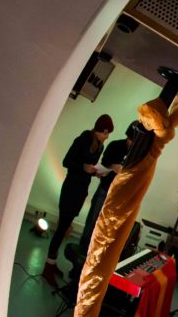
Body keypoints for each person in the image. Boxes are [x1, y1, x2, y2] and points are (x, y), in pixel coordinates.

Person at [41, 114, 113, 286]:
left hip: (81, 191)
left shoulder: (100, 146)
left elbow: (89, 168)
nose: (107, 136)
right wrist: (83, 167)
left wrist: (96, 172)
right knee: (61, 229)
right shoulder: (82, 140)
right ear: (99, 130)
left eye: (108, 134)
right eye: (105, 133)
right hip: (71, 189)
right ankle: (48, 268)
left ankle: (52, 263)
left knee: (65, 227)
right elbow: (67, 161)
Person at [78, 121, 135, 250]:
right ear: (127, 136)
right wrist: (113, 166)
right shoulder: (115, 145)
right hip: (105, 189)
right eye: (130, 139)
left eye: (134, 141)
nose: (131, 143)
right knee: (93, 219)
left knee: (107, 226)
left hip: (119, 195)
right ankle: (83, 247)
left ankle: (96, 251)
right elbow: (104, 163)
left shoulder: (137, 154)